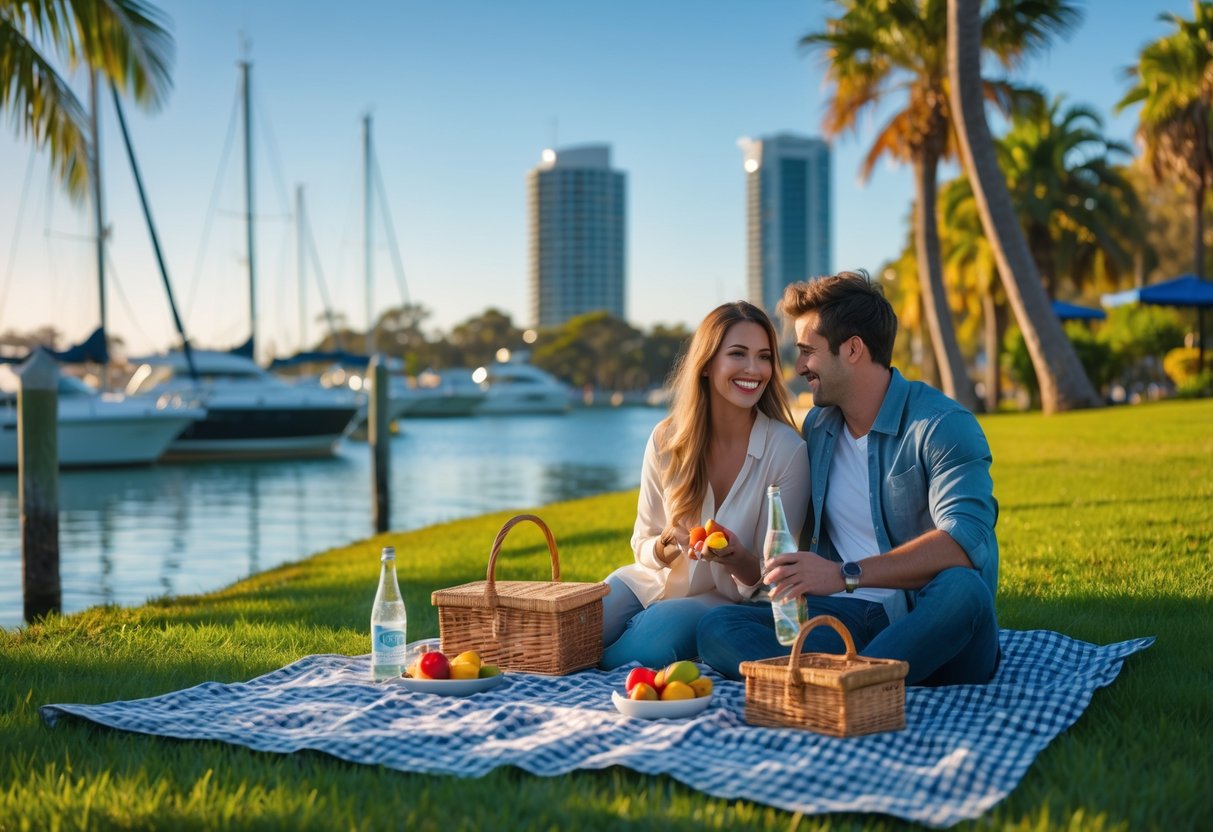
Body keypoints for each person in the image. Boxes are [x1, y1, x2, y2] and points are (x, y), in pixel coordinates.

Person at [696, 271, 1000, 686]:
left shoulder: (942, 425)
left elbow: (966, 542)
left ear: (853, 349)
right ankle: (851, 685)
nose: (799, 366)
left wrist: (844, 575)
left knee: (965, 590)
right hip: (851, 621)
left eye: (808, 352)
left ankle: (834, 686)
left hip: (935, 625)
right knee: (719, 628)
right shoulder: (819, 429)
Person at [599, 301, 810, 670]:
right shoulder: (666, 438)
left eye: (763, 357)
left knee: (640, 650)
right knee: (579, 623)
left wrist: (738, 557)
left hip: (727, 599)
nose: (753, 369)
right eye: (738, 354)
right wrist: (669, 542)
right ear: (708, 364)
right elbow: (642, 543)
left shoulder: (787, 451)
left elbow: (772, 576)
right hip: (652, 580)